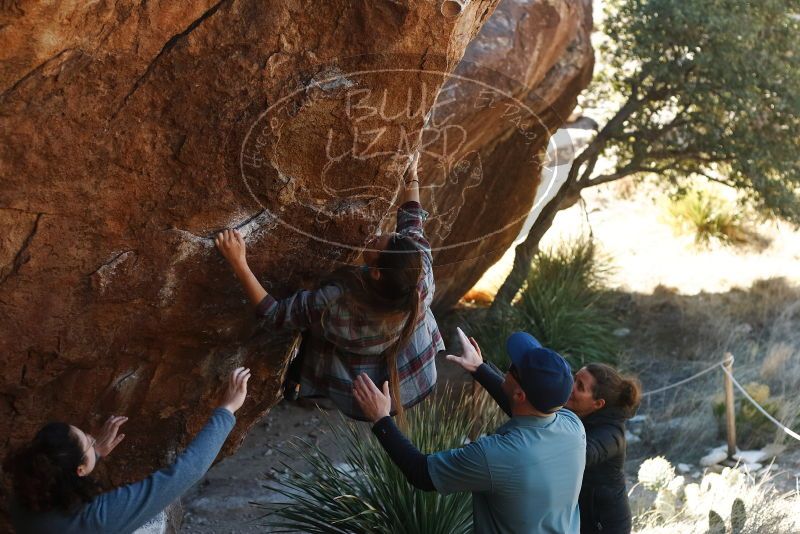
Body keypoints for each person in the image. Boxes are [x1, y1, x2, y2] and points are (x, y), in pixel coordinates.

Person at [216, 153, 444, 421]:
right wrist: (412, 174)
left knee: (313, 328)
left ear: (376, 273)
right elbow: (412, 221)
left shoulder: (338, 304)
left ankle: (300, 378)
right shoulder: (420, 274)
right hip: (417, 372)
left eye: (375, 244)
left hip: (367, 395)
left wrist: (239, 262)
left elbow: (274, 315)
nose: (374, 236)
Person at [354, 327, 586, 534]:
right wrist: (479, 368)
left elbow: (421, 473)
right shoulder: (573, 427)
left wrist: (381, 419)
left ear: (520, 394)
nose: (507, 367)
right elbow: (523, 409)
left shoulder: (496, 456)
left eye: (513, 368)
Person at [4, 367, 251, 534]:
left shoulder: (23, 498)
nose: (92, 436)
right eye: (88, 441)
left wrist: (95, 452)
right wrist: (227, 409)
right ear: (79, 470)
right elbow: (185, 472)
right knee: (157, 521)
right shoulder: (97, 518)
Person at [459, 338, 641, 534]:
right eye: (575, 377)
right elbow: (528, 405)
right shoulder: (574, 415)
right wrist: (480, 367)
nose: (571, 385)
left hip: (603, 525)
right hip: (573, 515)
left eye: (580, 386)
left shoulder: (612, 437)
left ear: (598, 404)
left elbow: (555, 439)